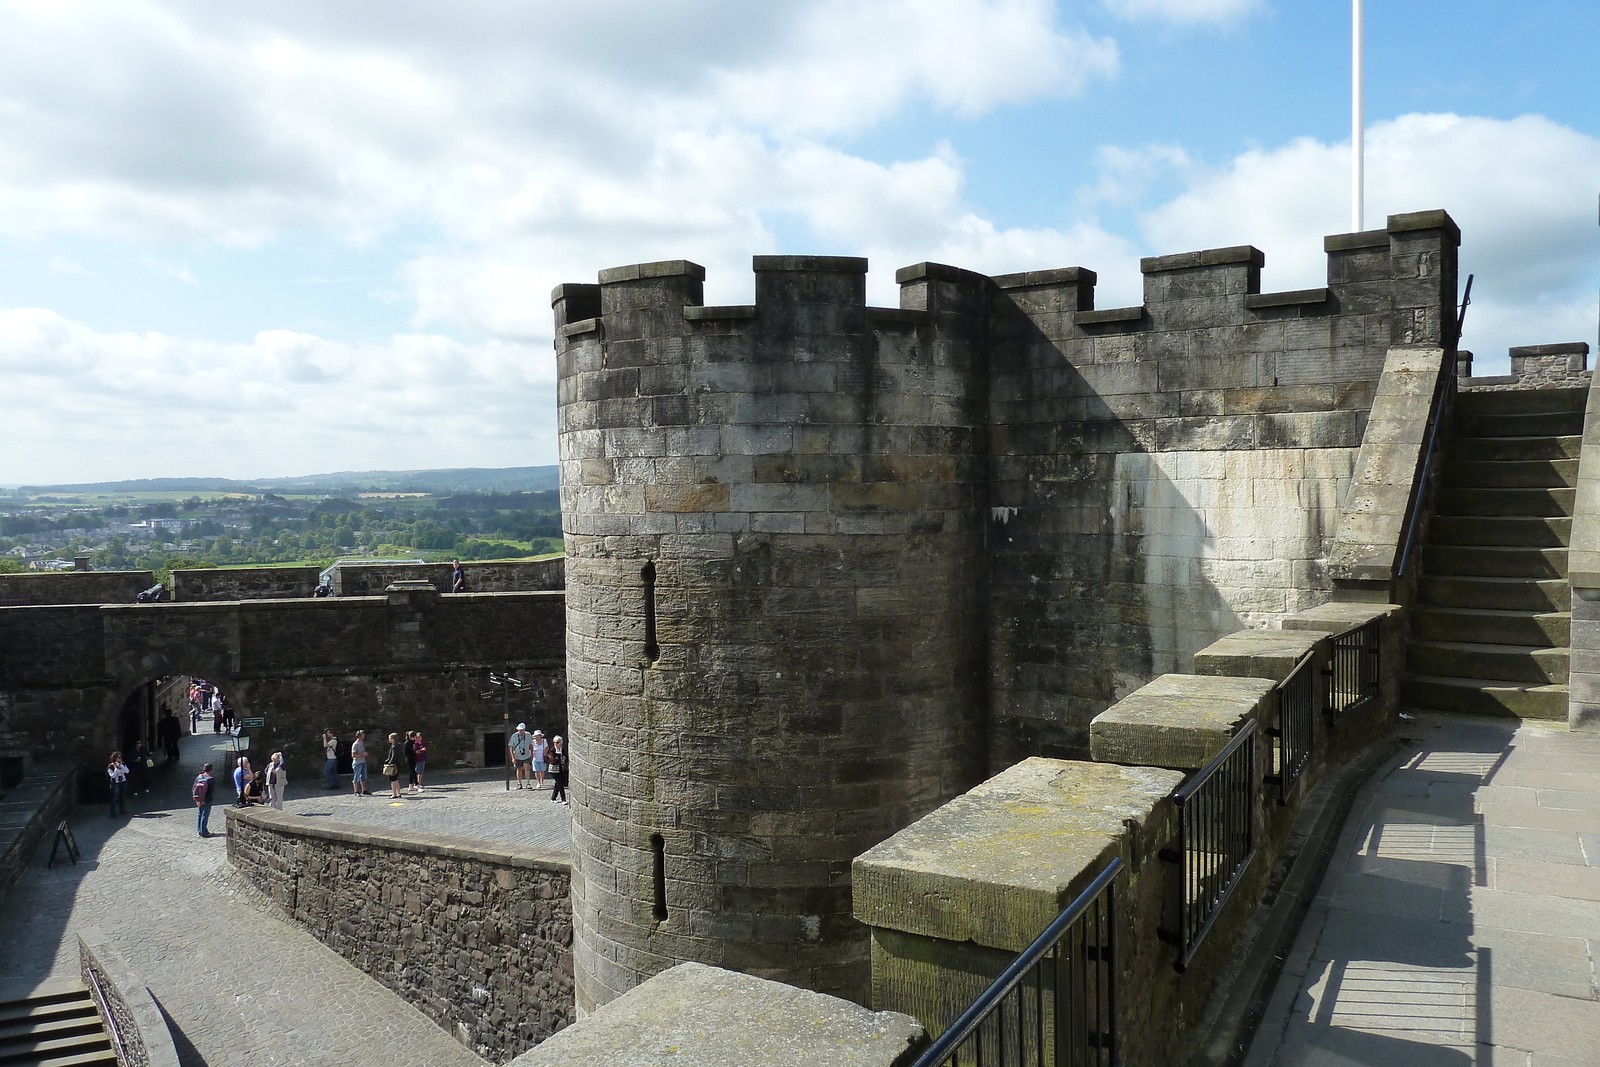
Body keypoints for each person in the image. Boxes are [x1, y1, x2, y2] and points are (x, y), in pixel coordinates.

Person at [193, 762, 216, 837]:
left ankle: (199, 831)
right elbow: (210, 792)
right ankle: (204, 832)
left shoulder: (199, 777)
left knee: (200, 814)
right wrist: (204, 800)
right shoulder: (211, 779)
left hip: (199, 798)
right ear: (211, 769)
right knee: (205, 815)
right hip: (206, 800)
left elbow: (194, 788)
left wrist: (198, 799)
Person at [509, 723, 534, 789]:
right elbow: (511, 747)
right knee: (519, 769)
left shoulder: (528, 735)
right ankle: (519, 783)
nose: (520, 732)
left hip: (526, 755)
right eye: (519, 730)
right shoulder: (514, 736)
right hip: (517, 756)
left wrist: (532, 754)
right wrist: (513, 758)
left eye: (521, 730)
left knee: (527, 768)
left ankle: (528, 783)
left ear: (524, 730)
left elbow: (531, 745)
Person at [107, 751, 129, 817]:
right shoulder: (110, 766)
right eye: (119, 757)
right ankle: (113, 813)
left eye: (121, 757)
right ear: (115, 758)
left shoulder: (123, 764)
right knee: (114, 798)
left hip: (123, 781)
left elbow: (127, 771)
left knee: (122, 797)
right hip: (115, 784)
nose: (120, 759)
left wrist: (121, 765)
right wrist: (116, 768)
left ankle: (122, 810)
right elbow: (112, 776)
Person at [548, 736, 567, 805]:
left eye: (557, 742)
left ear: (561, 743)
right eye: (554, 742)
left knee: (558, 783)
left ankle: (553, 798)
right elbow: (553, 759)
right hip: (554, 769)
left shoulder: (563, 749)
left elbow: (565, 757)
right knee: (560, 783)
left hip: (561, 768)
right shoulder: (552, 750)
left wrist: (560, 759)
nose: (555, 744)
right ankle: (563, 799)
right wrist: (560, 759)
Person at [384, 733, 404, 798]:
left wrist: (389, 762)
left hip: (394, 764)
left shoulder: (394, 746)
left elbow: (393, 756)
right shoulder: (396, 745)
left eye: (390, 738)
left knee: (392, 779)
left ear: (393, 739)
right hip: (397, 763)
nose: (389, 740)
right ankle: (398, 793)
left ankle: (394, 793)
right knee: (395, 779)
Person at [350, 730, 369, 796]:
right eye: (363, 734)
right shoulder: (355, 744)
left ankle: (364, 790)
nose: (364, 736)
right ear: (359, 736)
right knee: (356, 777)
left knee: (363, 777)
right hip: (357, 763)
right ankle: (356, 791)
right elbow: (353, 755)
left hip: (363, 762)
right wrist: (362, 754)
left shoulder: (362, 742)